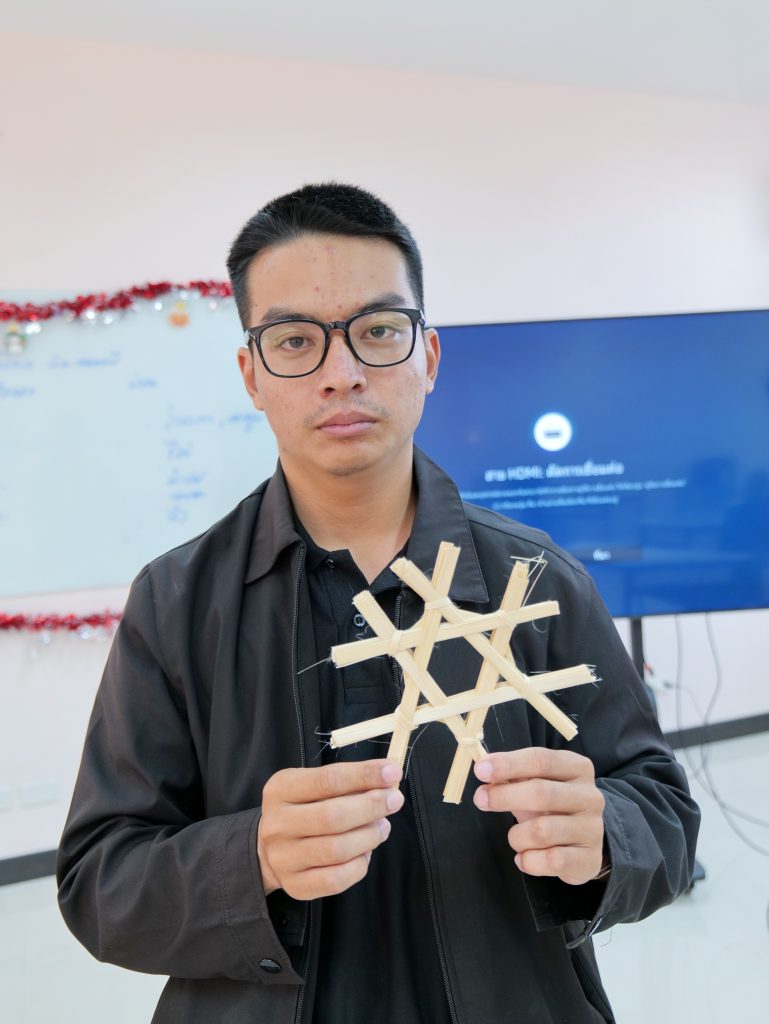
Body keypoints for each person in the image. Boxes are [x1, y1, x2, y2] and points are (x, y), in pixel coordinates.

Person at [57, 183, 700, 1024]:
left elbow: (663, 810)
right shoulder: (179, 601)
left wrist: (607, 836)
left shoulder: (538, 579)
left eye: (379, 330)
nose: (342, 373)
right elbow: (98, 881)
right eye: (295, 340)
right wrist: (248, 857)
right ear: (252, 375)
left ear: (427, 357)